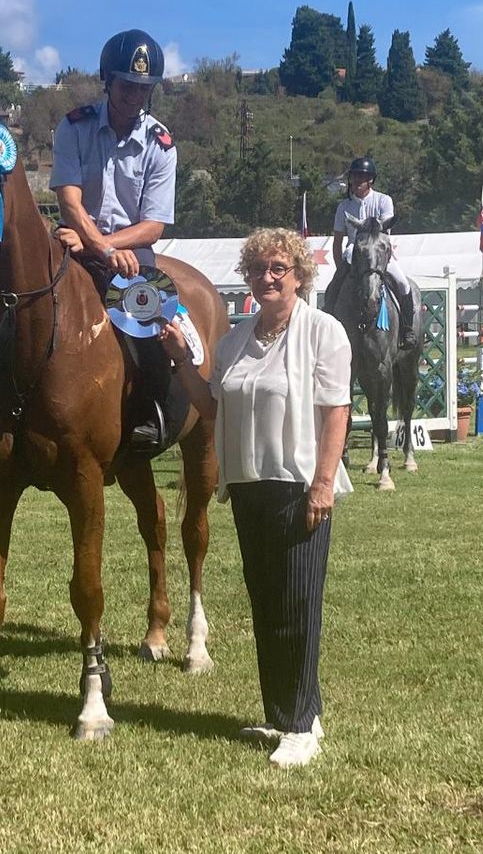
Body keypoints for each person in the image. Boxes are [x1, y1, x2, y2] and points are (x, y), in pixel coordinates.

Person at [160, 228, 353, 768]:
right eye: (257, 269)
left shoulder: (323, 332)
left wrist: (323, 482)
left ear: (298, 275)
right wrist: (179, 359)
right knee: (266, 603)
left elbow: (336, 411)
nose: (267, 278)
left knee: (297, 604)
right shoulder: (235, 340)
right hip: (246, 487)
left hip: (300, 486)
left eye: (278, 269)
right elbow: (214, 406)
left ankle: (303, 723)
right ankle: (279, 712)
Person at [50, 29, 178, 447]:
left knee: (150, 321)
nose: (134, 95)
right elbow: (69, 202)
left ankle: (148, 410)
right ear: (108, 80)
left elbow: (155, 225)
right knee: (20, 293)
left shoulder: (161, 144)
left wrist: (110, 247)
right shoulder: (73, 126)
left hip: (132, 252)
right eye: (127, 85)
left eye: (144, 88)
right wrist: (98, 246)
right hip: (75, 237)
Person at [325, 156, 418, 349]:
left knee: (403, 284)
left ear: (371, 180)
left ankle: (407, 329)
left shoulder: (384, 201)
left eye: (363, 177)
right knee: (333, 287)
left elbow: (383, 233)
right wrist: (340, 270)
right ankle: (329, 325)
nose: (358, 181)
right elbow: (338, 242)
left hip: (378, 252)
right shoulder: (343, 207)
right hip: (354, 252)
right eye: (356, 177)